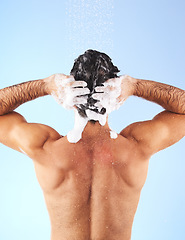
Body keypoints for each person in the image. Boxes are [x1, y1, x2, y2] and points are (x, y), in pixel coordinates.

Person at [0, 49, 185, 240]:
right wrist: (135, 86)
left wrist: (46, 85)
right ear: (114, 93)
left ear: (68, 90)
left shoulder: (45, 148)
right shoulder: (137, 147)